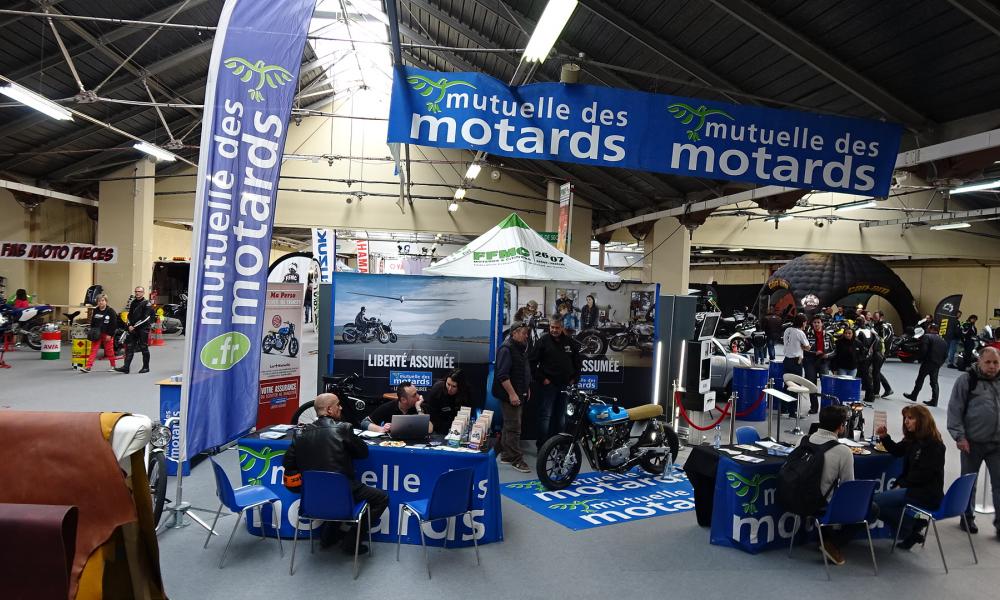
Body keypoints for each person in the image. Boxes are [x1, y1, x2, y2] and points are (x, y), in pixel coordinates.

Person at [282, 393, 389, 554]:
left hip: (312, 496)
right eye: (338, 405)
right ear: (329, 409)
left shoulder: (300, 433)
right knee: (381, 498)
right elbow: (363, 452)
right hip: (344, 491)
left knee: (332, 495)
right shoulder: (343, 428)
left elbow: (287, 463)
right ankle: (351, 542)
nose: (340, 407)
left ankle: (328, 537)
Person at [874, 405, 946, 550]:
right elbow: (897, 450)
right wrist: (884, 437)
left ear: (922, 421)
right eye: (905, 418)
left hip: (925, 493)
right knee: (875, 505)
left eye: (910, 418)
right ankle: (913, 526)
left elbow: (924, 474)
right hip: (912, 488)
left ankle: (910, 526)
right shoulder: (913, 440)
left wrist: (902, 484)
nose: (906, 421)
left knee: (874, 503)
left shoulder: (934, 445)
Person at [947, 347, 1000, 537]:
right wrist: (959, 437)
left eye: (996, 362)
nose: (992, 366)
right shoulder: (967, 381)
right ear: (979, 361)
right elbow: (955, 409)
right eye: (988, 362)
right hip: (972, 443)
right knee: (969, 483)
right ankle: (967, 518)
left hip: (997, 445)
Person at [807, 405, 861, 565]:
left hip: (798, 497)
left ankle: (825, 537)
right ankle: (833, 543)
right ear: (841, 427)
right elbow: (848, 487)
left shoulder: (803, 440)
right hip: (822, 503)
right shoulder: (843, 451)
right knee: (871, 509)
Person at [528, 315, 582, 449]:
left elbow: (577, 363)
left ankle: (560, 445)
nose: (554, 330)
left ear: (562, 327)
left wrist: (575, 378)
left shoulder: (570, 342)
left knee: (562, 417)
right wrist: (542, 379)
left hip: (565, 386)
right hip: (549, 385)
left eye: (557, 327)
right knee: (545, 416)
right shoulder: (543, 341)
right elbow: (532, 363)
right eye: (552, 327)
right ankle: (542, 446)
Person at [493, 322, 532, 473]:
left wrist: (526, 387)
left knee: (509, 425)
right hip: (510, 395)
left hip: (519, 392)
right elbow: (502, 375)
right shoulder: (506, 349)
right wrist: (512, 394)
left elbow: (522, 370)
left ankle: (506, 455)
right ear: (514, 333)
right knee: (514, 428)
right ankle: (516, 459)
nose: (526, 335)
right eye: (524, 333)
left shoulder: (520, 347)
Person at [903, 323, 948, 406]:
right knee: (934, 381)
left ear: (931, 329)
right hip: (937, 363)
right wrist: (940, 363)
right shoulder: (943, 341)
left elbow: (924, 349)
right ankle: (935, 400)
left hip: (928, 361)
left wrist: (919, 358)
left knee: (920, 378)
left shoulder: (927, 336)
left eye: (928, 328)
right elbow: (946, 355)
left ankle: (914, 395)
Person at [363, 382, 430, 434]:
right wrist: (381, 429)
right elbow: (364, 423)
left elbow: (429, 429)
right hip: (395, 444)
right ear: (404, 400)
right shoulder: (388, 407)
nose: (418, 396)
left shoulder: (420, 406)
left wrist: (418, 409)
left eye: (417, 393)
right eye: (414, 395)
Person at [115, 286, 153, 374]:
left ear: (143, 293)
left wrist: (134, 326)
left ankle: (146, 367)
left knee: (144, 347)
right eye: (136, 291)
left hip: (143, 329)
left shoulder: (147, 303)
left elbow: (145, 318)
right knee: (129, 347)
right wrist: (129, 325)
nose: (137, 293)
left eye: (139, 291)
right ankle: (126, 367)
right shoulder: (133, 302)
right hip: (132, 329)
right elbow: (129, 315)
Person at [422, 369, 470, 434]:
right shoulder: (437, 389)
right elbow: (430, 412)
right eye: (448, 384)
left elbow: (467, 416)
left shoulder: (466, 393)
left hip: (459, 428)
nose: (449, 389)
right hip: (438, 427)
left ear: (460, 387)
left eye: (454, 386)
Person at [80, 294, 118, 373]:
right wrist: (91, 331)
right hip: (97, 333)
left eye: (102, 300)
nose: (101, 302)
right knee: (93, 350)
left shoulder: (111, 311)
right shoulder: (96, 310)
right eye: (99, 301)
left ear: (106, 301)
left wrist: (110, 334)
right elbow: (93, 322)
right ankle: (88, 367)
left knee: (109, 350)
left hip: (107, 334)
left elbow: (114, 324)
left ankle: (113, 365)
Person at [782, 314, 810, 417]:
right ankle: (792, 411)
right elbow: (807, 347)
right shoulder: (800, 333)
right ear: (803, 323)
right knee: (796, 386)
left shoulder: (788, 330)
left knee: (786, 385)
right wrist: (803, 346)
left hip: (786, 360)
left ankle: (783, 409)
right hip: (796, 362)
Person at [804, 315, 832, 414]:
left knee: (826, 385)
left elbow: (834, 351)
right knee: (812, 385)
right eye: (814, 322)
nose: (816, 324)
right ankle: (814, 407)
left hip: (823, 362)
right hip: (810, 362)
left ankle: (826, 408)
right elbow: (803, 350)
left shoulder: (828, 335)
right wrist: (813, 353)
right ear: (812, 324)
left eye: (818, 322)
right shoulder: (807, 335)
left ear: (822, 324)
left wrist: (827, 356)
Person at [870, 311, 894, 397]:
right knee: (876, 371)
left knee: (876, 371)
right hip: (879, 351)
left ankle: (877, 392)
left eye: (876, 317)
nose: (874, 319)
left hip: (881, 352)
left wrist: (873, 332)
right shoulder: (878, 325)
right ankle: (887, 389)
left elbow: (882, 339)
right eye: (874, 317)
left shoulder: (885, 326)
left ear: (881, 317)